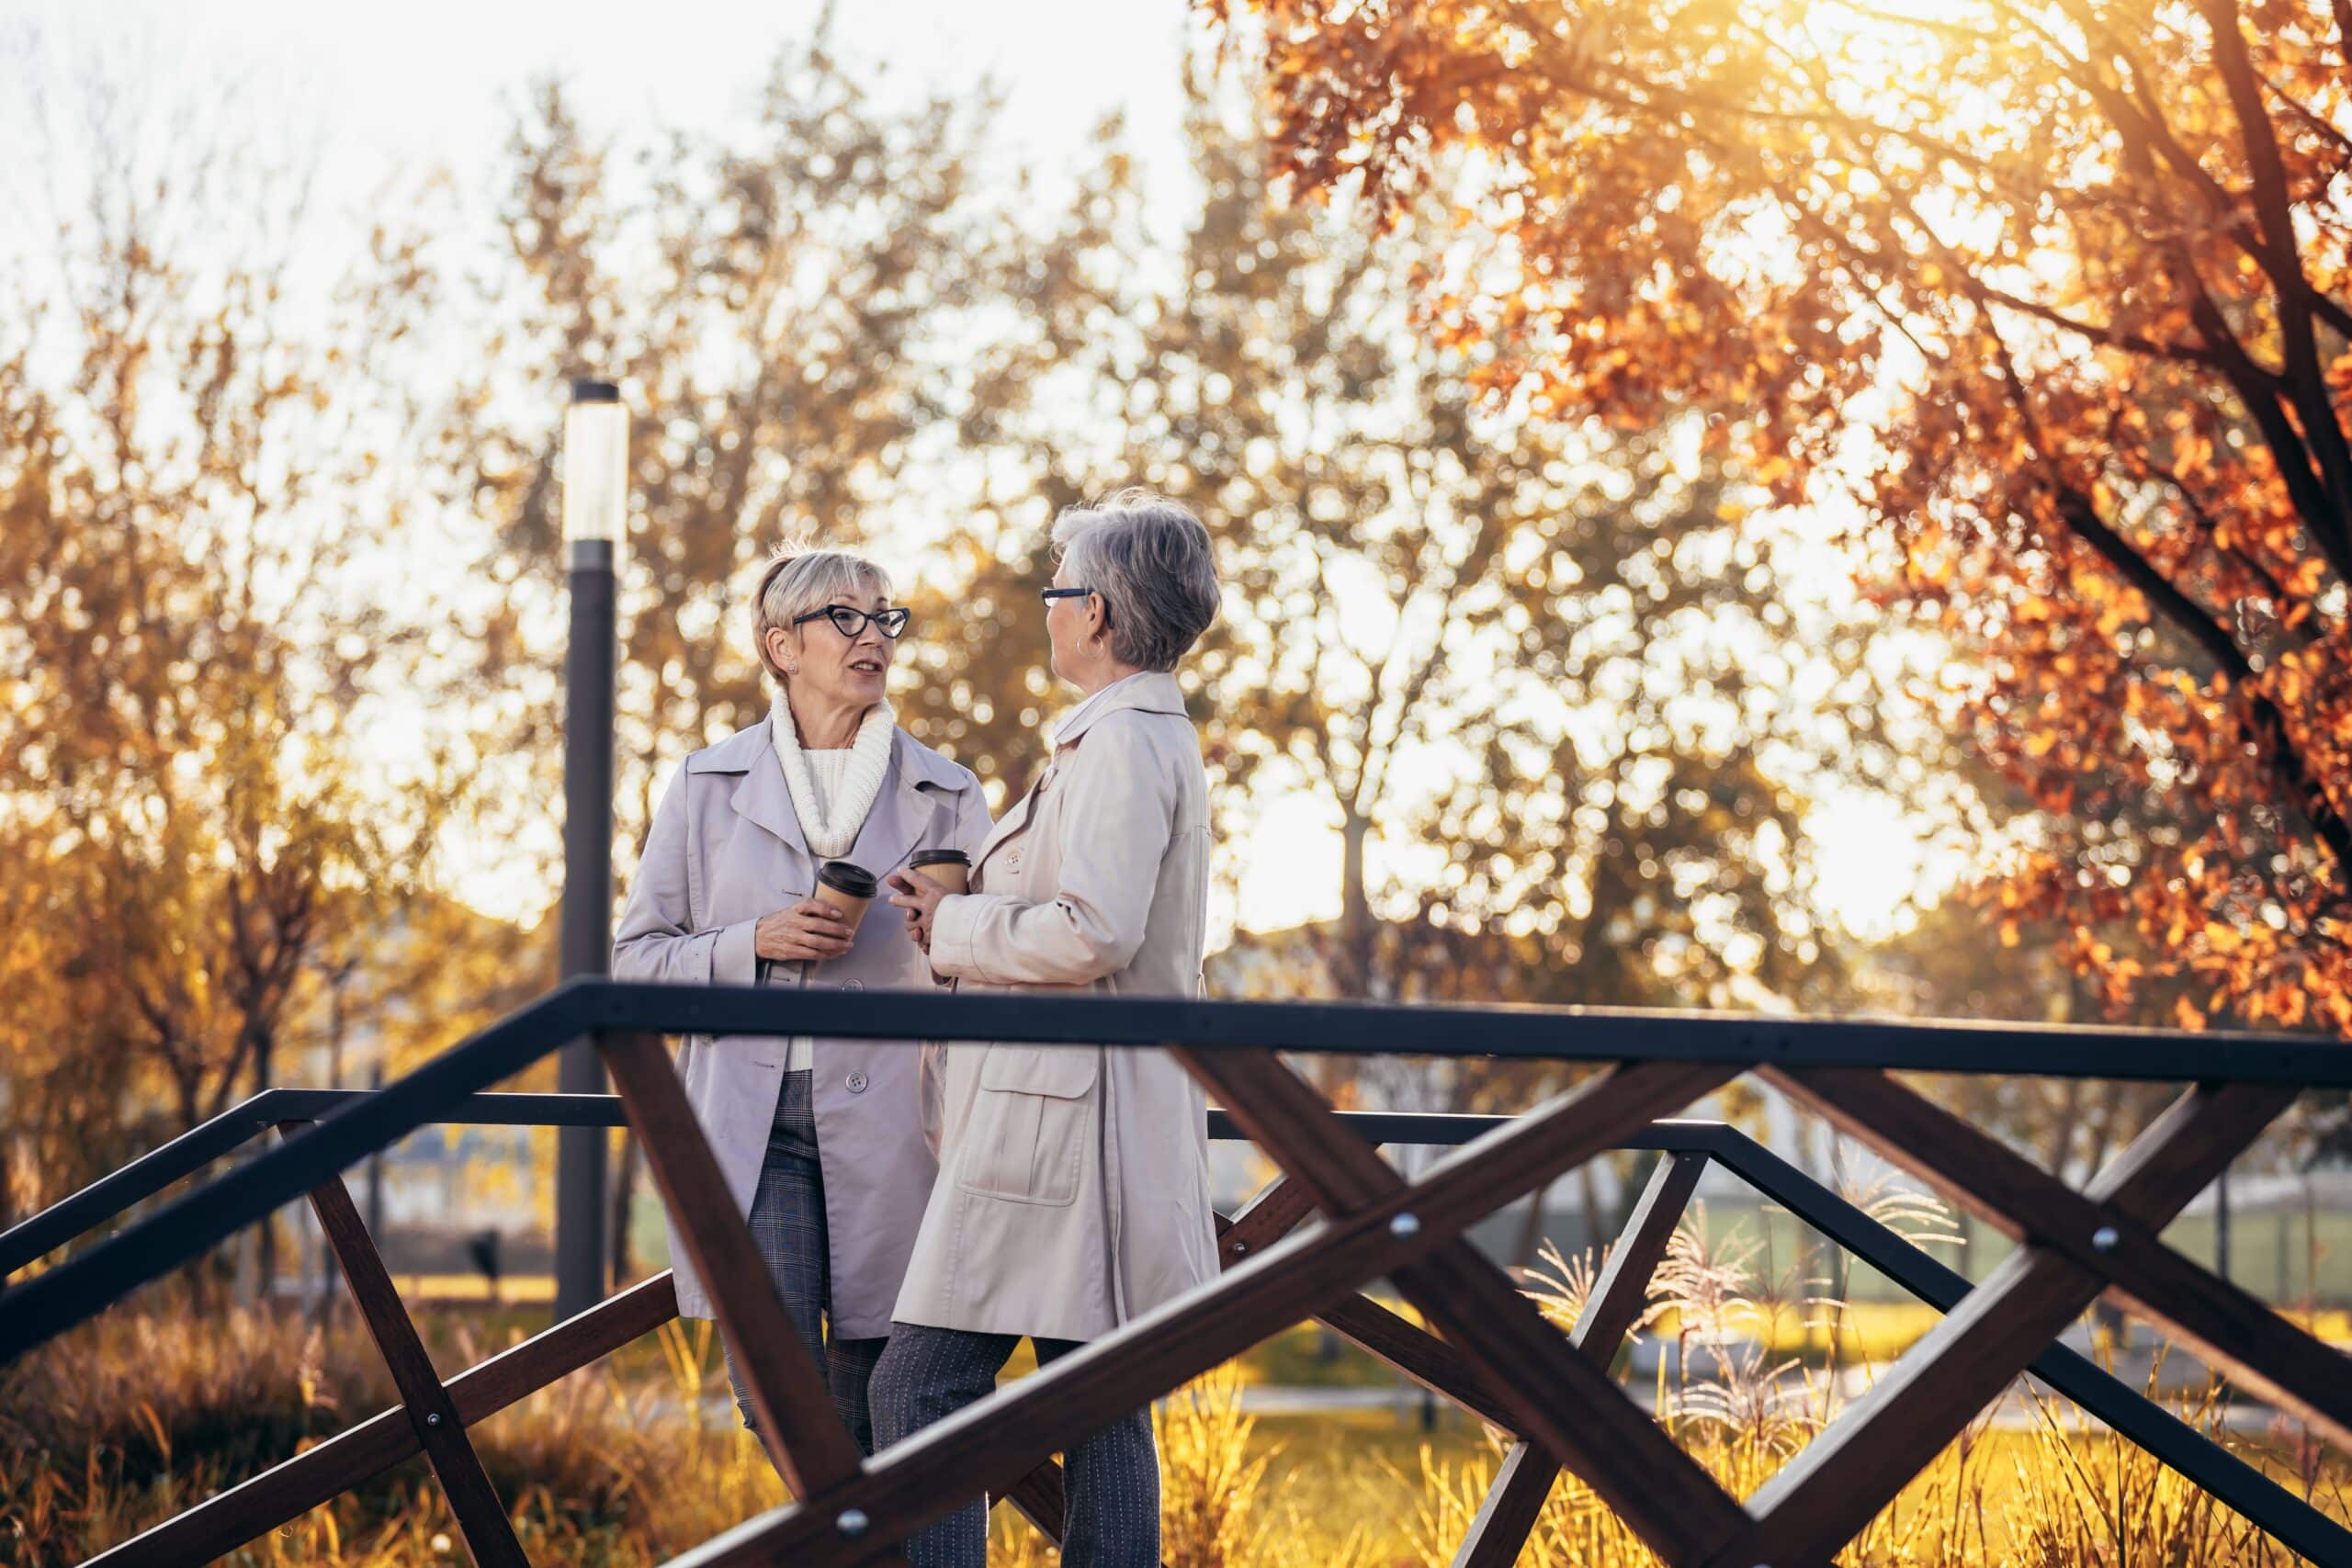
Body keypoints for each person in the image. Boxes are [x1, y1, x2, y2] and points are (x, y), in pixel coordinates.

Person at [875, 491, 1223, 1568]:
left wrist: (953, 923)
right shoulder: (1122, 737)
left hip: (1061, 1126)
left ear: (1102, 613)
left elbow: (1096, 931)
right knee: (1097, 1396)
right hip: (1082, 1116)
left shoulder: (1120, 744)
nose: (1047, 607)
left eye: (1058, 588)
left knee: (920, 1384)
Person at [612, 547, 989, 1468]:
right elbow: (631, 966)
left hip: (906, 1128)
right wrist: (751, 944)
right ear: (782, 646)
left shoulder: (949, 792)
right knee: (774, 1392)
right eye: (845, 617)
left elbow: (991, 970)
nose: (874, 638)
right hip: (754, 1132)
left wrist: (948, 940)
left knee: (883, 1400)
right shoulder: (706, 786)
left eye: (884, 616)